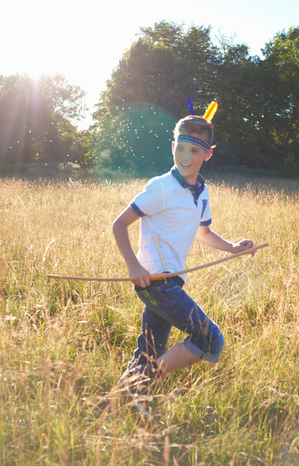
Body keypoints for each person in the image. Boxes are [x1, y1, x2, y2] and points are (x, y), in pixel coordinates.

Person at [111, 110, 255, 415]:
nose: (185, 156)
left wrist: (232, 248)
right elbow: (119, 225)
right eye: (180, 147)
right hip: (154, 282)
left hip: (173, 280)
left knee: (149, 350)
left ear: (208, 154)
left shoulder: (202, 193)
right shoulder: (160, 187)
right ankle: (142, 386)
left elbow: (202, 232)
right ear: (172, 146)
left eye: (194, 150)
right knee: (210, 339)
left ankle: (120, 403)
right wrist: (133, 265)